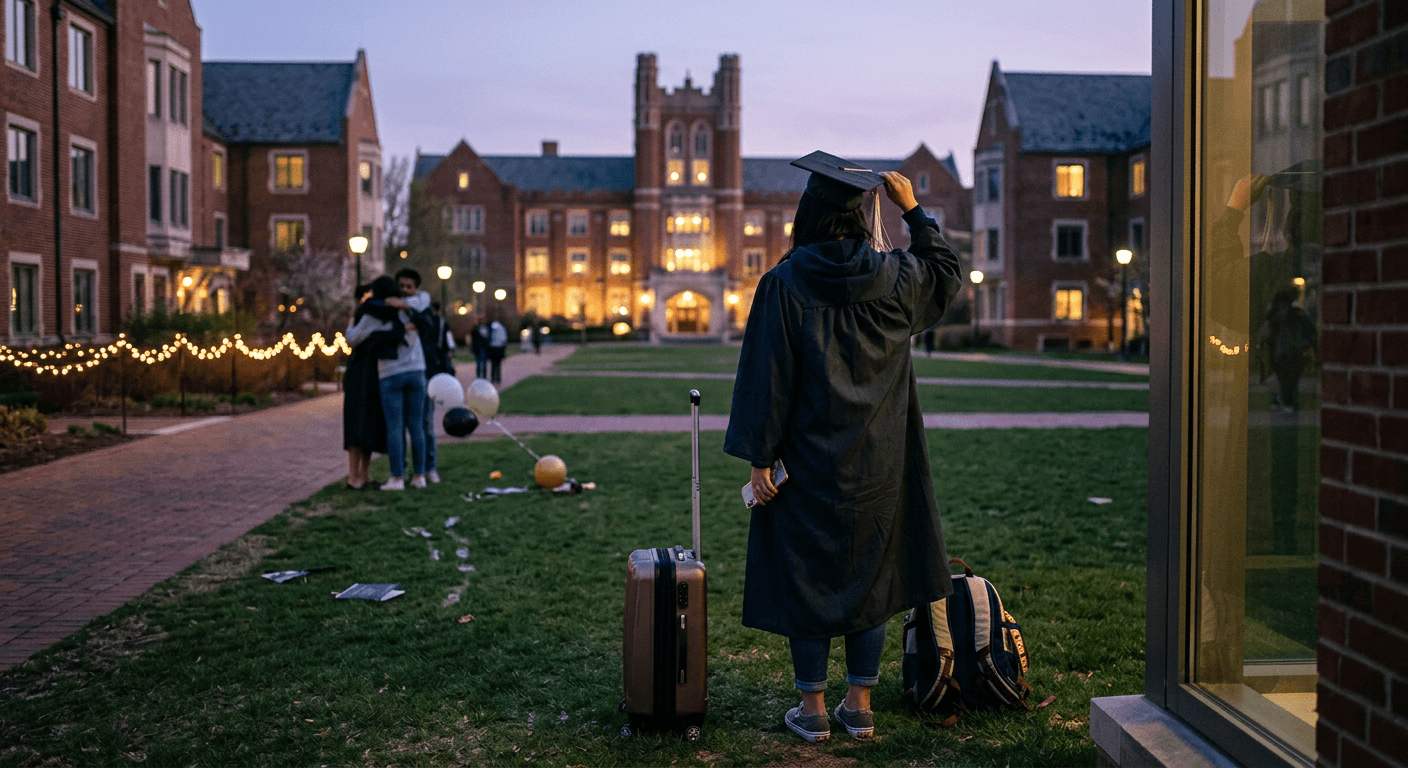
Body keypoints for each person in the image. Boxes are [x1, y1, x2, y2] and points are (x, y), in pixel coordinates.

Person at [724, 153, 962, 743]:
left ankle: (812, 711)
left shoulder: (783, 283)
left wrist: (760, 458)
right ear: (861, 218)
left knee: (807, 577)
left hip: (805, 462)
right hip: (879, 462)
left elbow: (766, 376)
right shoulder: (897, 278)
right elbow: (946, 272)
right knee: (870, 577)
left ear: (807, 215)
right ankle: (859, 706)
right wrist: (914, 210)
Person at [346, 274, 429, 490]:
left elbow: (353, 338)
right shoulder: (410, 308)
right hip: (416, 369)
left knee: (395, 426)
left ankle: (397, 478)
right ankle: (420, 476)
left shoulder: (373, 313)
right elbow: (425, 306)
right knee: (417, 425)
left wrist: (350, 322)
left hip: (390, 372)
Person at [342, 282, 399, 489]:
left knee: (355, 422)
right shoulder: (393, 315)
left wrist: (350, 322)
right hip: (379, 371)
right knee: (370, 422)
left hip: (359, 370)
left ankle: (353, 477)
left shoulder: (368, 313)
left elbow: (352, 339)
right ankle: (365, 474)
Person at [487, 314, 508, 385]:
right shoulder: (502, 328)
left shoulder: (491, 328)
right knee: (498, 365)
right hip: (499, 349)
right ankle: (498, 379)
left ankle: (493, 379)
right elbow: (504, 339)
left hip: (493, 348)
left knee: (493, 365)